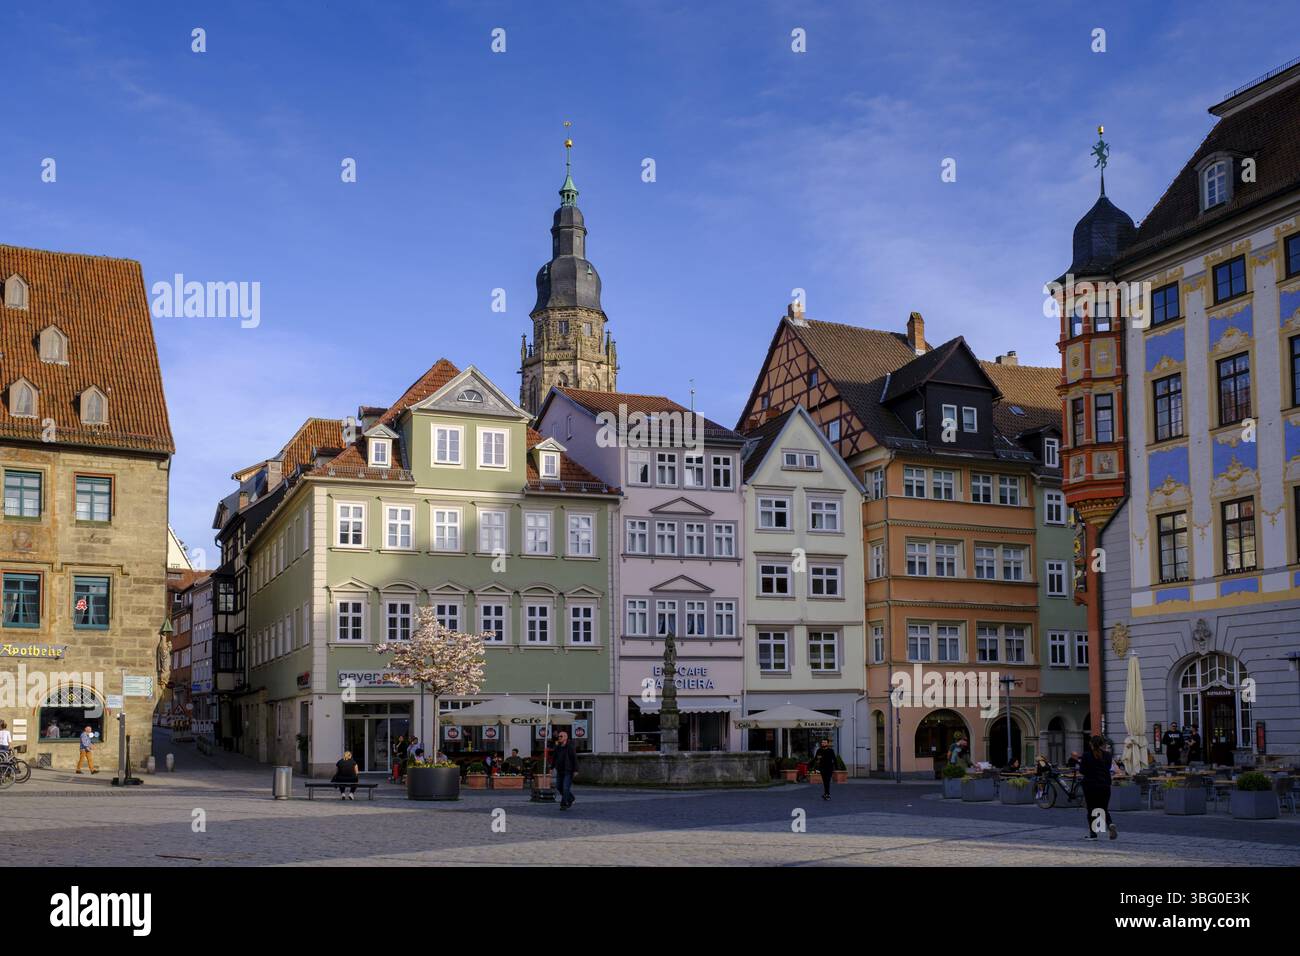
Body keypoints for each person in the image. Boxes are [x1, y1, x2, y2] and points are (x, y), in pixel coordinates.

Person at [1079, 734, 1117, 841]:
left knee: (1091, 809)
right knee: (1102, 808)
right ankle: (1110, 824)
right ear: (1102, 744)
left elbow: (1082, 771)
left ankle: (1093, 834)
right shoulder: (1108, 755)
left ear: (1091, 744)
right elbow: (1109, 767)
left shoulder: (1086, 755)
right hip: (1105, 786)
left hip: (1090, 786)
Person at [551, 730, 578, 810]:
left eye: (561, 736)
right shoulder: (558, 747)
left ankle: (564, 803)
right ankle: (571, 798)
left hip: (568, 770)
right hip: (560, 770)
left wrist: (576, 770)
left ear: (566, 737)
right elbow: (554, 758)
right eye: (558, 736)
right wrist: (551, 768)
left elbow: (574, 759)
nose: (559, 737)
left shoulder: (570, 747)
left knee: (565, 787)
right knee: (559, 787)